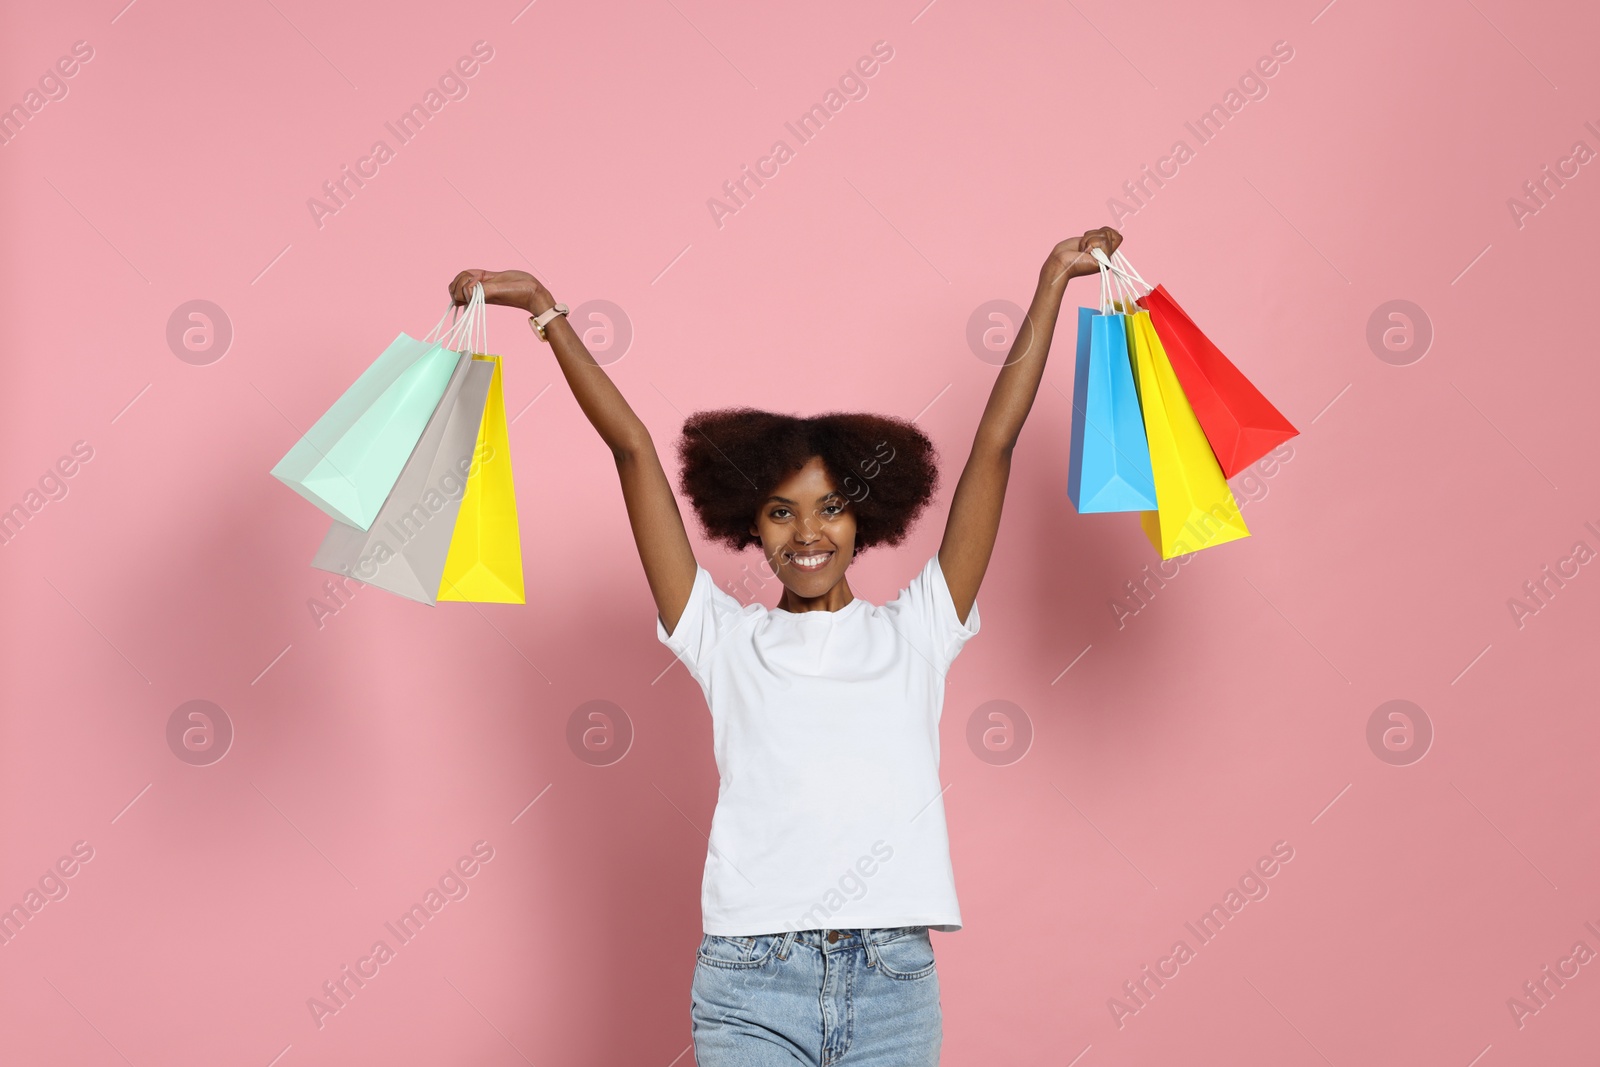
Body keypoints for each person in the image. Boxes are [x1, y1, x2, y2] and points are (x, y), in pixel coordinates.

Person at [448, 225, 1122, 1066]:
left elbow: (995, 445)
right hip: (749, 982)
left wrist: (1052, 283)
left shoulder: (918, 628)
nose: (808, 532)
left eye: (830, 506)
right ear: (750, 525)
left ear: (863, 518)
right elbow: (632, 450)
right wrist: (545, 311)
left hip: (893, 983)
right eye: (780, 510)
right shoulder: (721, 637)